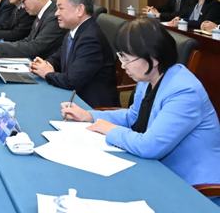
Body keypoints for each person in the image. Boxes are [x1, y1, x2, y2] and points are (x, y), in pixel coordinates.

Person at [61, 18, 220, 203]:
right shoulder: (149, 77)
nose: (122, 65)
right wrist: (89, 116)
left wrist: (110, 130)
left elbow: (150, 146)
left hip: (194, 189)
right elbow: (133, 117)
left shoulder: (184, 91)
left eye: (127, 59)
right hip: (159, 170)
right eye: (121, 57)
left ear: (153, 58)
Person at [30, 0, 119, 107]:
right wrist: (45, 64)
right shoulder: (75, 30)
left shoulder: (90, 38)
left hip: (91, 106)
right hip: (73, 96)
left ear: (79, 10)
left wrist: (47, 73)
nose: (56, 13)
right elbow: (59, 56)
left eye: (61, 8)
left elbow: (72, 81)